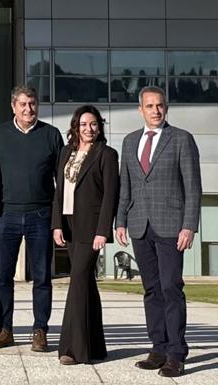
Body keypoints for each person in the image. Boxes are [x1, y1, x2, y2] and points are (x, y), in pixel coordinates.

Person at [116, 86, 201, 377]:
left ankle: (176, 352)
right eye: (150, 106)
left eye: (160, 105)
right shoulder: (129, 142)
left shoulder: (181, 139)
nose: (155, 110)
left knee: (170, 288)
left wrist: (189, 225)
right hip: (140, 225)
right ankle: (158, 347)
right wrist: (120, 221)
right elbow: (125, 186)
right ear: (140, 109)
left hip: (170, 226)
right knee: (151, 290)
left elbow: (193, 188)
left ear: (166, 108)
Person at [0, 85, 63, 351]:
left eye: (32, 103)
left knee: (42, 277)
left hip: (41, 215)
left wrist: (57, 220)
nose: (28, 109)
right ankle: (4, 329)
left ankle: (40, 330)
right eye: (23, 104)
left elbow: (61, 181)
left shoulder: (51, 135)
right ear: (13, 106)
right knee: (3, 277)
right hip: (6, 214)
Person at [51, 105, 119, 365]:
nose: (89, 129)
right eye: (83, 124)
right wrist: (56, 224)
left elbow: (110, 196)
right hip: (68, 226)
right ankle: (96, 347)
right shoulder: (66, 152)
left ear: (99, 126)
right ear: (75, 127)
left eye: (93, 124)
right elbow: (59, 192)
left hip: (91, 229)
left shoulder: (106, 155)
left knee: (77, 282)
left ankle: (72, 349)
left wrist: (103, 231)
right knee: (87, 285)